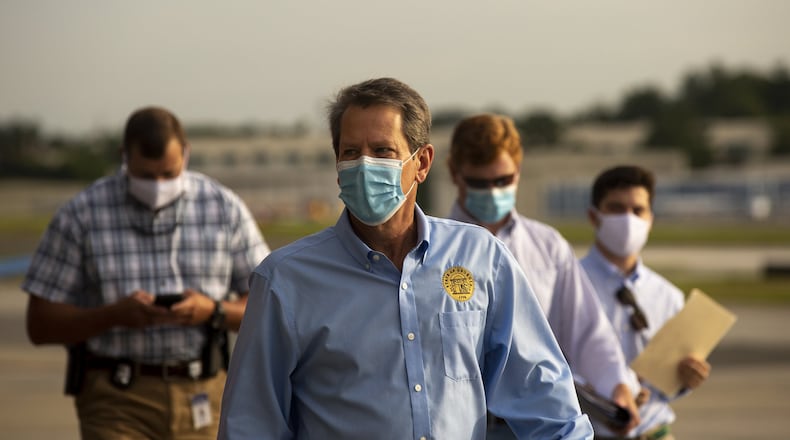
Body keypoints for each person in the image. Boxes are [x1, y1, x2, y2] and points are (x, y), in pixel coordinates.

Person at [218, 78, 593, 439]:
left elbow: (543, 396)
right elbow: (252, 423)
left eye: (382, 151)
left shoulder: (481, 257)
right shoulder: (286, 279)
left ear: (423, 162)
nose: (364, 166)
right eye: (351, 152)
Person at [22, 106, 270, 439]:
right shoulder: (81, 215)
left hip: (202, 395)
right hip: (116, 399)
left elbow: (268, 304)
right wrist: (112, 315)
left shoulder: (223, 208)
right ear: (124, 157)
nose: (158, 186)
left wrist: (212, 311)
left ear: (186, 153)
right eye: (146, 176)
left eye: (168, 174)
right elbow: (40, 324)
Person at [446, 114, 641, 438]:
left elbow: (588, 331)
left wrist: (617, 384)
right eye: (480, 182)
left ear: (518, 172)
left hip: (535, 426)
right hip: (461, 425)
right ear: (455, 173)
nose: (493, 192)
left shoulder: (547, 246)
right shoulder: (432, 246)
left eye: (503, 180)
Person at [579, 165, 710, 440]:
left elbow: (668, 385)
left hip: (654, 431)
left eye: (638, 210)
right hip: (591, 432)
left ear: (651, 218)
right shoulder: (569, 286)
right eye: (616, 209)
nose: (628, 219)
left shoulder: (668, 296)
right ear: (594, 216)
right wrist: (607, 398)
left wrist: (687, 378)